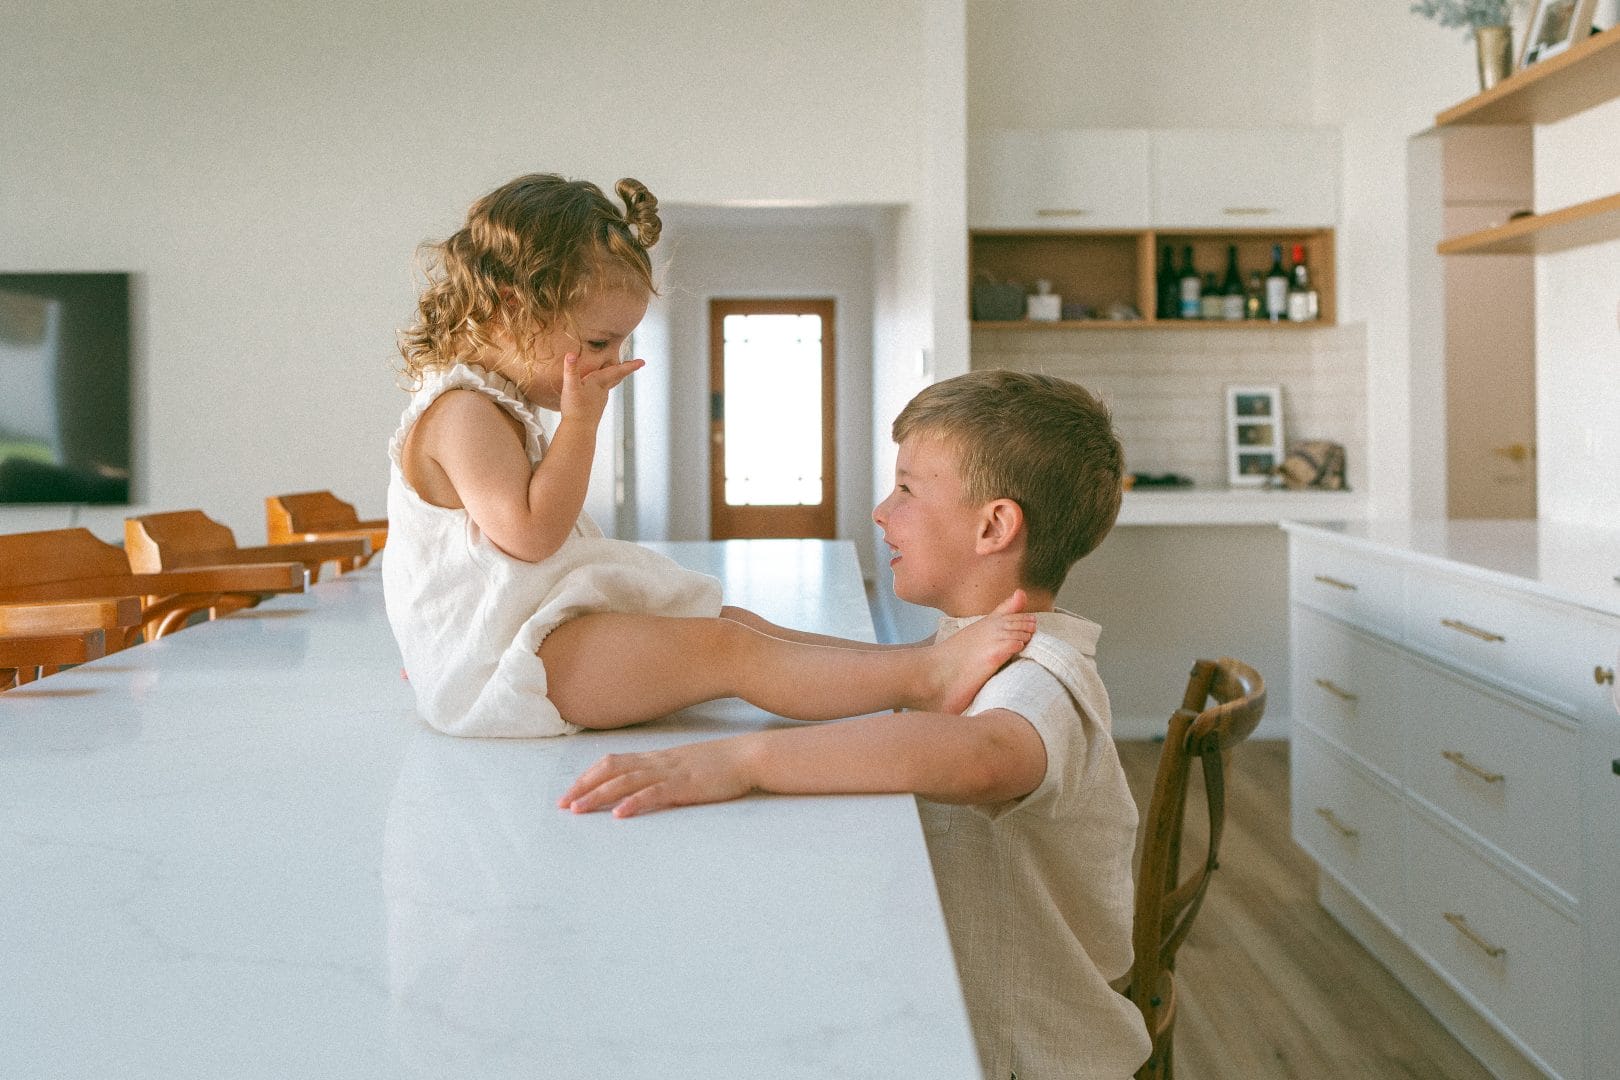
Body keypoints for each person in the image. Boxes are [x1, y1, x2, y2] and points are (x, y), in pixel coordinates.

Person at [561, 369, 1153, 1080]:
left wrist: (736, 761)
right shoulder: (968, 641)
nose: (881, 510)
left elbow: (984, 755)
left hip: (1019, 1055)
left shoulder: (1044, 673)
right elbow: (866, 663)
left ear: (994, 525)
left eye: (907, 489)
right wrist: (728, 638)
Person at [382, 173, 1034, 739]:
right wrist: (582, 423)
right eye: (600, 341)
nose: (612, 363)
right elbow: (530, 535)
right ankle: (923, 677)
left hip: (532, 634)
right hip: (499, 667)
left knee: (725, 617)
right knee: (727, 649)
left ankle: (911, 660)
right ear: (511, 306)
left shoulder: (492, 405)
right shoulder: (463, 411)